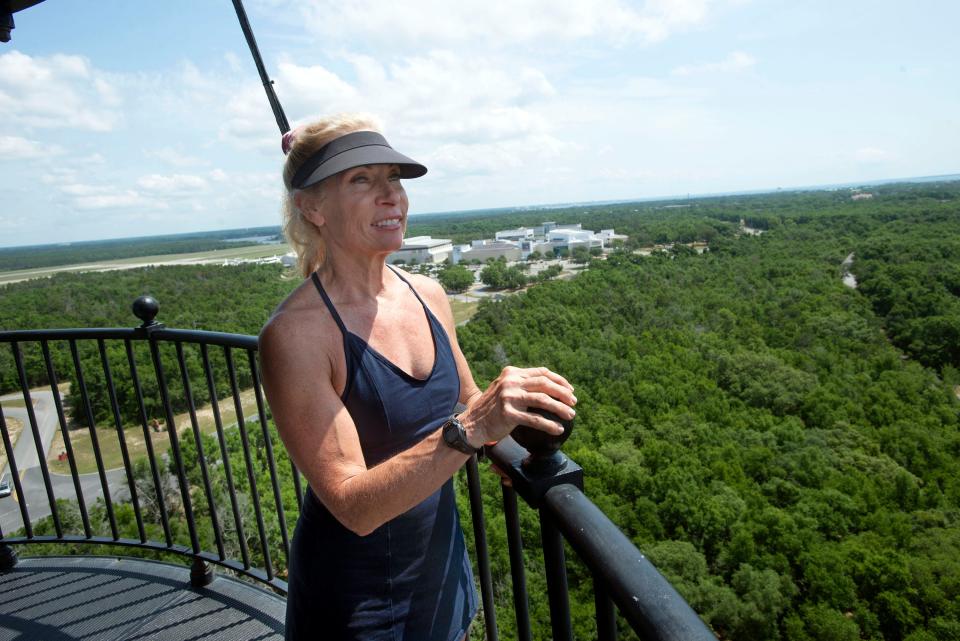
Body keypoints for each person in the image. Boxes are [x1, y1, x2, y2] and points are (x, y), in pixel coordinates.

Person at [259, 113, 577, 641]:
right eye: (361, 180)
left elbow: (468, 401)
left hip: (439, 573)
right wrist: (472, 428)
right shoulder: (297, 335)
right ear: (311, 207)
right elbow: (353, 504)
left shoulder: (427, 293)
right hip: (356, 604)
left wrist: (512, 433)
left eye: (394, 179)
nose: (392, 197)